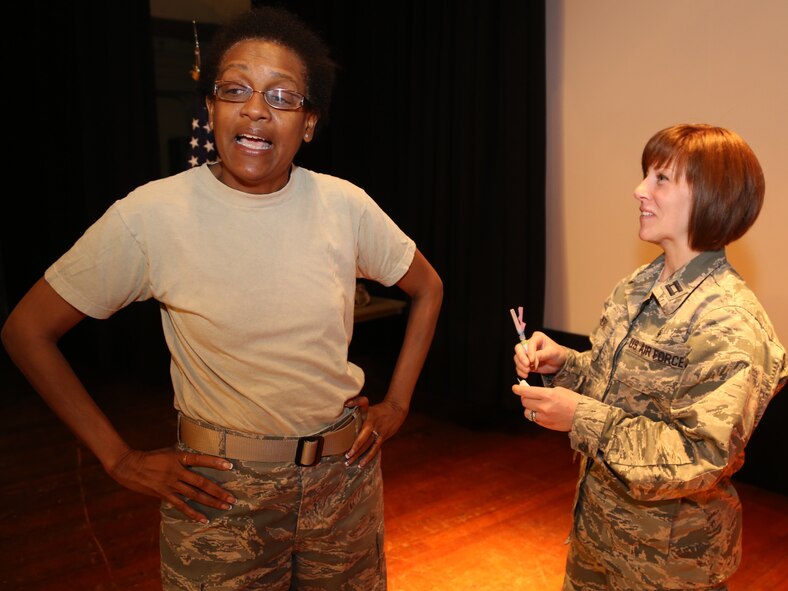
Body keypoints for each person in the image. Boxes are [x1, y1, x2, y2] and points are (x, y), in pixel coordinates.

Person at [1, 6, 442, 590]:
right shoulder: (151, 216)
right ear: (210, 107)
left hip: (345, 484)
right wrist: (119, 459)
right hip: (220, 493)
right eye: (235, 89)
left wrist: (398, 404)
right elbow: (26, 331)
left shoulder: (345, 206)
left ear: (309, 123)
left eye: (282, 97)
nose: (256, 109)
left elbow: (428, 287)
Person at [512, 123, 786, 591]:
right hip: (596, 538)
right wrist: (565, 365)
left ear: (710, 196)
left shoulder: (731, 322)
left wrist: (583, 418)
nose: (639, 191)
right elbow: (614, 385)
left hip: (667, 567)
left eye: (661, 179)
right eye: (646, 176)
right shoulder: (639, 284)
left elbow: (702, 456)